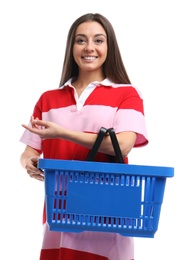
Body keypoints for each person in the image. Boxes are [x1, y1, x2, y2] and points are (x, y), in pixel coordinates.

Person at [19, 13, 148, 260]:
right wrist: (29, 163)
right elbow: (29, 150)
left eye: (98, 40)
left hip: (107, 219)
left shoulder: (127, 94)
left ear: (109, 47)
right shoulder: (48, 99)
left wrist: (63, 133)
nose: (89, 47)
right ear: (72, 47)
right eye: (81, 40)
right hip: (59, 215)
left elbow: (123, 145)